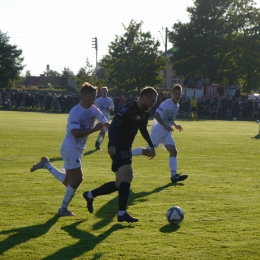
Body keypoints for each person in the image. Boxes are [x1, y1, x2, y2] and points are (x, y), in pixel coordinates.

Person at [30, 82, 110, 216]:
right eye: (92, 96)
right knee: (78, 179)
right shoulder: (75, 111)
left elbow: (106, 123)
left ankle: (47, 165)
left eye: (94, 97)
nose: (94, 99)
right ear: (84, 96)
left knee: (69, 182)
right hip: (70, 147)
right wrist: (95, 129)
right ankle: (62, 209)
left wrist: (115, 130)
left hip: (79, 149)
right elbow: (76, 133)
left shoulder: (94, 109)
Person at [83, 86, 158, 223]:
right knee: (128, 175)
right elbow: (112, 127)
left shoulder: (144, 113)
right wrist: (112, 144)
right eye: (152, 101)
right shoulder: (127, 109)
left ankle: (90, 195)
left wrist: (152, 146)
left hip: (126, 147)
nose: (152, 105)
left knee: (119, 183)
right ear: (145, 98)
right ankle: (122, 213)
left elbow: (142, 129)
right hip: (118, 146)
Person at [132, 84, 188, 183]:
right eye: (175, 93)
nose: (177, 95)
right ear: (171, 93)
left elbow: (169, 118)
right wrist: (165, 126)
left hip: (166, 132)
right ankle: (128, 153)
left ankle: (174, 175)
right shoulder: (167, 103)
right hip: (158, 131)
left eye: (179, 94)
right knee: (148, 152)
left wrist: (174, 125)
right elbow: (157, 115)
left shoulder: (177, 105)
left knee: (173, 151)